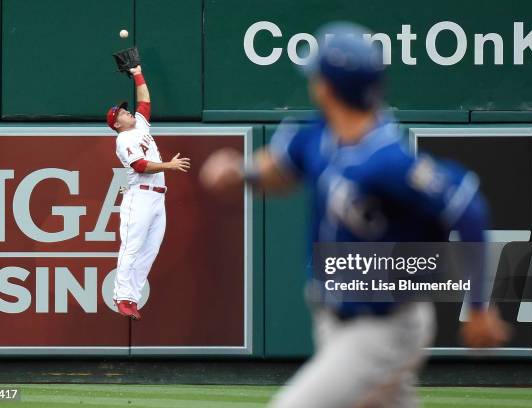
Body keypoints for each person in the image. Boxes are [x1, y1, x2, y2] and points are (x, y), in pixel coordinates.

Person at [200, 22, 509, 407]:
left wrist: (479, 308)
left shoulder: (387, 160)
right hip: (334, 320)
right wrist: (242, 172)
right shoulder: (317, 136)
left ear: (325, 87)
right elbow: (280, 169)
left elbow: (468, 209)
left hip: (384, 327)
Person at [106, 65, 190, 320]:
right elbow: (139, 166)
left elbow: (144, 102)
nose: (128, 110)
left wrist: (138, 73)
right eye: (122, 111)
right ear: (117, 123)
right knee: (131, 247)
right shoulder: (124, 140)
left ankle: (132, 297)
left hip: (156, 198)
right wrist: (169, 165)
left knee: (150, 249)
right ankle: (121, 296)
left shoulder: (139, 127)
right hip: (139, 196)